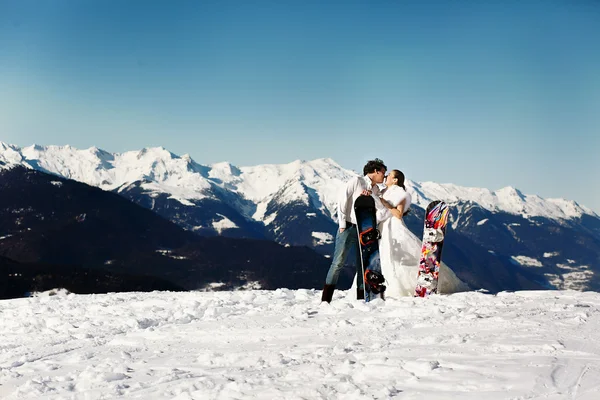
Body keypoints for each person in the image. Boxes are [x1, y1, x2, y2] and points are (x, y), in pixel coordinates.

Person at [321, 158, 391, 303]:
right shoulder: (356, 181)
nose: (384, 176)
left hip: (364, 231)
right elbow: (343, 200)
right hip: (348, 227)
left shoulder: (376, 190)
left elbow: (383, 212)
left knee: (362, 265)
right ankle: (325, 299)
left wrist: (372, 196)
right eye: (383, 173)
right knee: (338, 262)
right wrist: (342, 224)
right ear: (375, 171)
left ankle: (361, 298)